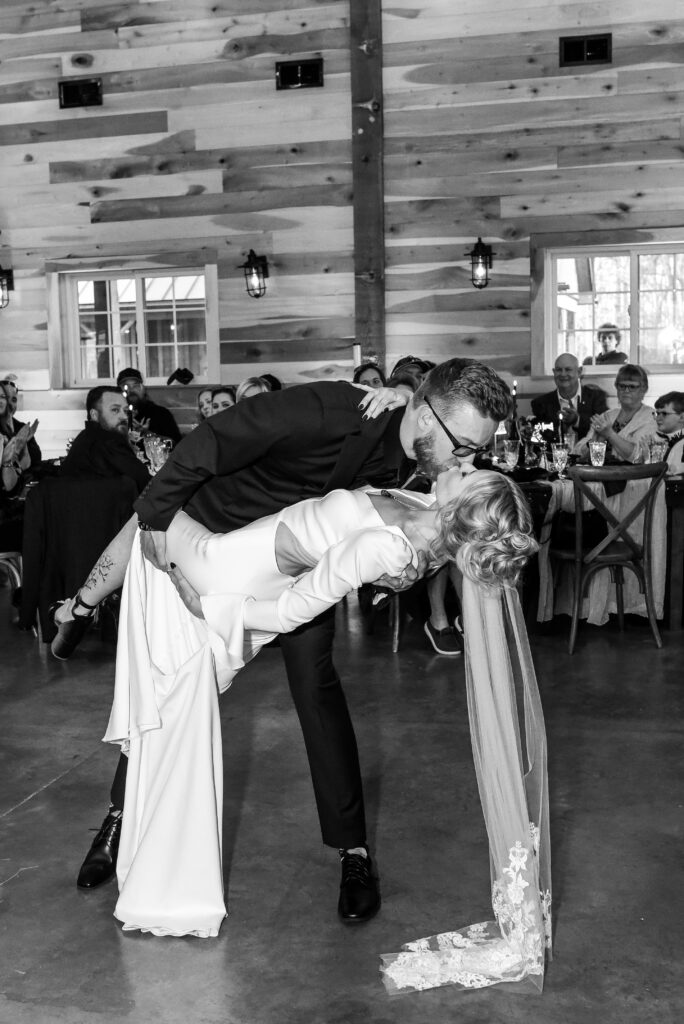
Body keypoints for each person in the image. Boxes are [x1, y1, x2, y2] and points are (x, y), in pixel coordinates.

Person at [70, 360, 512, 923]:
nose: (469, 461)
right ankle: (119, 816)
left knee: (318, 693)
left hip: (298, 576)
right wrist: (157, 517)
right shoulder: (328, 410)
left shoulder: (425, 454)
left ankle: (353, 851)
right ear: (425, 416)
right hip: (219, 543)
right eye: (465, 447)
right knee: (174, 689)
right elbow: (217, 436)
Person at [59, 386, 151, 494]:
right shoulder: (109, 441)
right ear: (95, 415)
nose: (124, 417)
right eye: (115, 410)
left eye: (125, 411)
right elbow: (146, 484)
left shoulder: (85, 436)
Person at [574, 363, 657, 464]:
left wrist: (609, 434)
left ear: (644, 389)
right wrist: (594, 442)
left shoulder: (651, 417)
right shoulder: (607, 416)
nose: (626, 390)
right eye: (622, 386)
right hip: (600, 475)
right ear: (616, 388)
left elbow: (638, 456)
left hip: (634, 478)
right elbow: (578, 452)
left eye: (632, 387)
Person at [531, 353, 608, 447]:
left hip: (589, 458)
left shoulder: (596, 398)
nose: (563, 374)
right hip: (554, 458)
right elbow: (541, 438)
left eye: (568, 370)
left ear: (579, 372)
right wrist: (561, 426)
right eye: (559, 370)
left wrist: (577, 420)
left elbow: (604, 429)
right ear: (554, 372)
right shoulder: (541, 403)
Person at [116, 368, 182, 446]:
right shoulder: (114, 417)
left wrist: (147, 434)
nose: (131, 390)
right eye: (126, 387)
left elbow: (175, 445)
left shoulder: (161, 414)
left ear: (143, 389)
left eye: (136, 386)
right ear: (118, 392)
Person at [1, 376, 42, 470]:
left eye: (13, 400)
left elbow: (37, 459)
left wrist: (25, 443)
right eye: (5, 398)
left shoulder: (22, 427)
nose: (10, 404)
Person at [654, 391, 684, 474]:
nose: (658, 418)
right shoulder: (657, 440)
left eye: (664, 413)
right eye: (657, 413)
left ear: (682, 417)